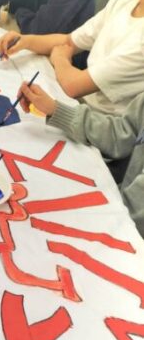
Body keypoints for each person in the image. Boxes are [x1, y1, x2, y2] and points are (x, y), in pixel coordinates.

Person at [17, 81, 144, 237]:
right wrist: (55, 109)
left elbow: (135, 214)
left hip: (127, 230)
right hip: (117, 210)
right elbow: (121, 134)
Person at [0, 0, 144, 114]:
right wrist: (26, 41)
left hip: (101, 121)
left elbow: (73, 85)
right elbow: (69, 41)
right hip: (82, 104)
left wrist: (60, 58)